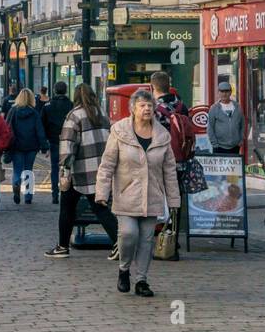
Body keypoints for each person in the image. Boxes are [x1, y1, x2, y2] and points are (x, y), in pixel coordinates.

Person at [95, 88, 180, 298]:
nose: (147, 109)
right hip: (126, 194)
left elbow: (169, 171)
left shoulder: (162, 136)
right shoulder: (119, 131)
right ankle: (124, 269)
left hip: (152, 195)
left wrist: (173, 200)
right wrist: (102, 193)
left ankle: (141, 280)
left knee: (146, 239)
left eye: (150, 106)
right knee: (129, 234)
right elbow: (107, 164)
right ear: (133, 109)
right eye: (142, 105)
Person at [46, 83, 120, 259]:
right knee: (100, 207)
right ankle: (119, 242)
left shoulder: (74, 115)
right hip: (101, 169)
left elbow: (67, 146)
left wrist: (64, 171)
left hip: (80, 172)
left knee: (67, 208)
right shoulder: (102, 114)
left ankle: (63, 246)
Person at [7, 88, 48, 205]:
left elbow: (7, 128)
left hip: (16, 145)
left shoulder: (13, 111)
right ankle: (28, 196)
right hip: (31, 146)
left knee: (17, 169)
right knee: (28, 170)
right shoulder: (34, 113)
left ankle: (16, 183)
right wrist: (44, 146)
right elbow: (40, 131)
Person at [151, 70, 195, 163]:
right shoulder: (181, 106)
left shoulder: (155, 109)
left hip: (162, 158)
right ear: (168, 86)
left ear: (153, 87)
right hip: (182, 155)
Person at [41, 81, 72, 204]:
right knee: (68, 168)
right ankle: (66, 192)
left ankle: (55, 194)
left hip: (53, 141)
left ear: (54, 90)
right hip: (69, 140)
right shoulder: (71, 105)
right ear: (65, 90)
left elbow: (42, 125)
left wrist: (44, 143)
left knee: (54, 168)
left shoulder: (48, 106)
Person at [206, 79, 246, 155]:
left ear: (230, 92)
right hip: (219, 147)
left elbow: (242, 124)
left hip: (235, 146)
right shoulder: (214, 108)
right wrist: (214, 143)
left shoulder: (237, 107)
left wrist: (241, 140)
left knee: (233, 167)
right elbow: (210, 127)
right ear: (218, 93)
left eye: (226, 91)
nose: (224, 94)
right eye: (222, 91)